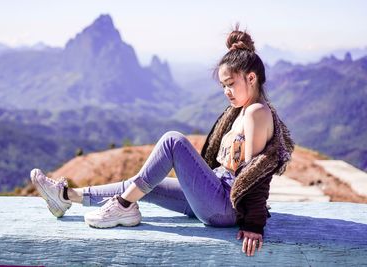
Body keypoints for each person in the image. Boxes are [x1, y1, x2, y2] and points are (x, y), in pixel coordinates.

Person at [30, 24, 294, 257]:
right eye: (223, 85)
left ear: (251, 77)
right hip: (215, 193)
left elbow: (256, 172)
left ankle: (122, 206)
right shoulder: (241, 112)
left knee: (173, 141)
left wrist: (254, 226)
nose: (226, 91)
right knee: (144, 185)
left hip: (225, 205)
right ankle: (66, 196)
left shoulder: (257, 112)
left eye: (230, 84)